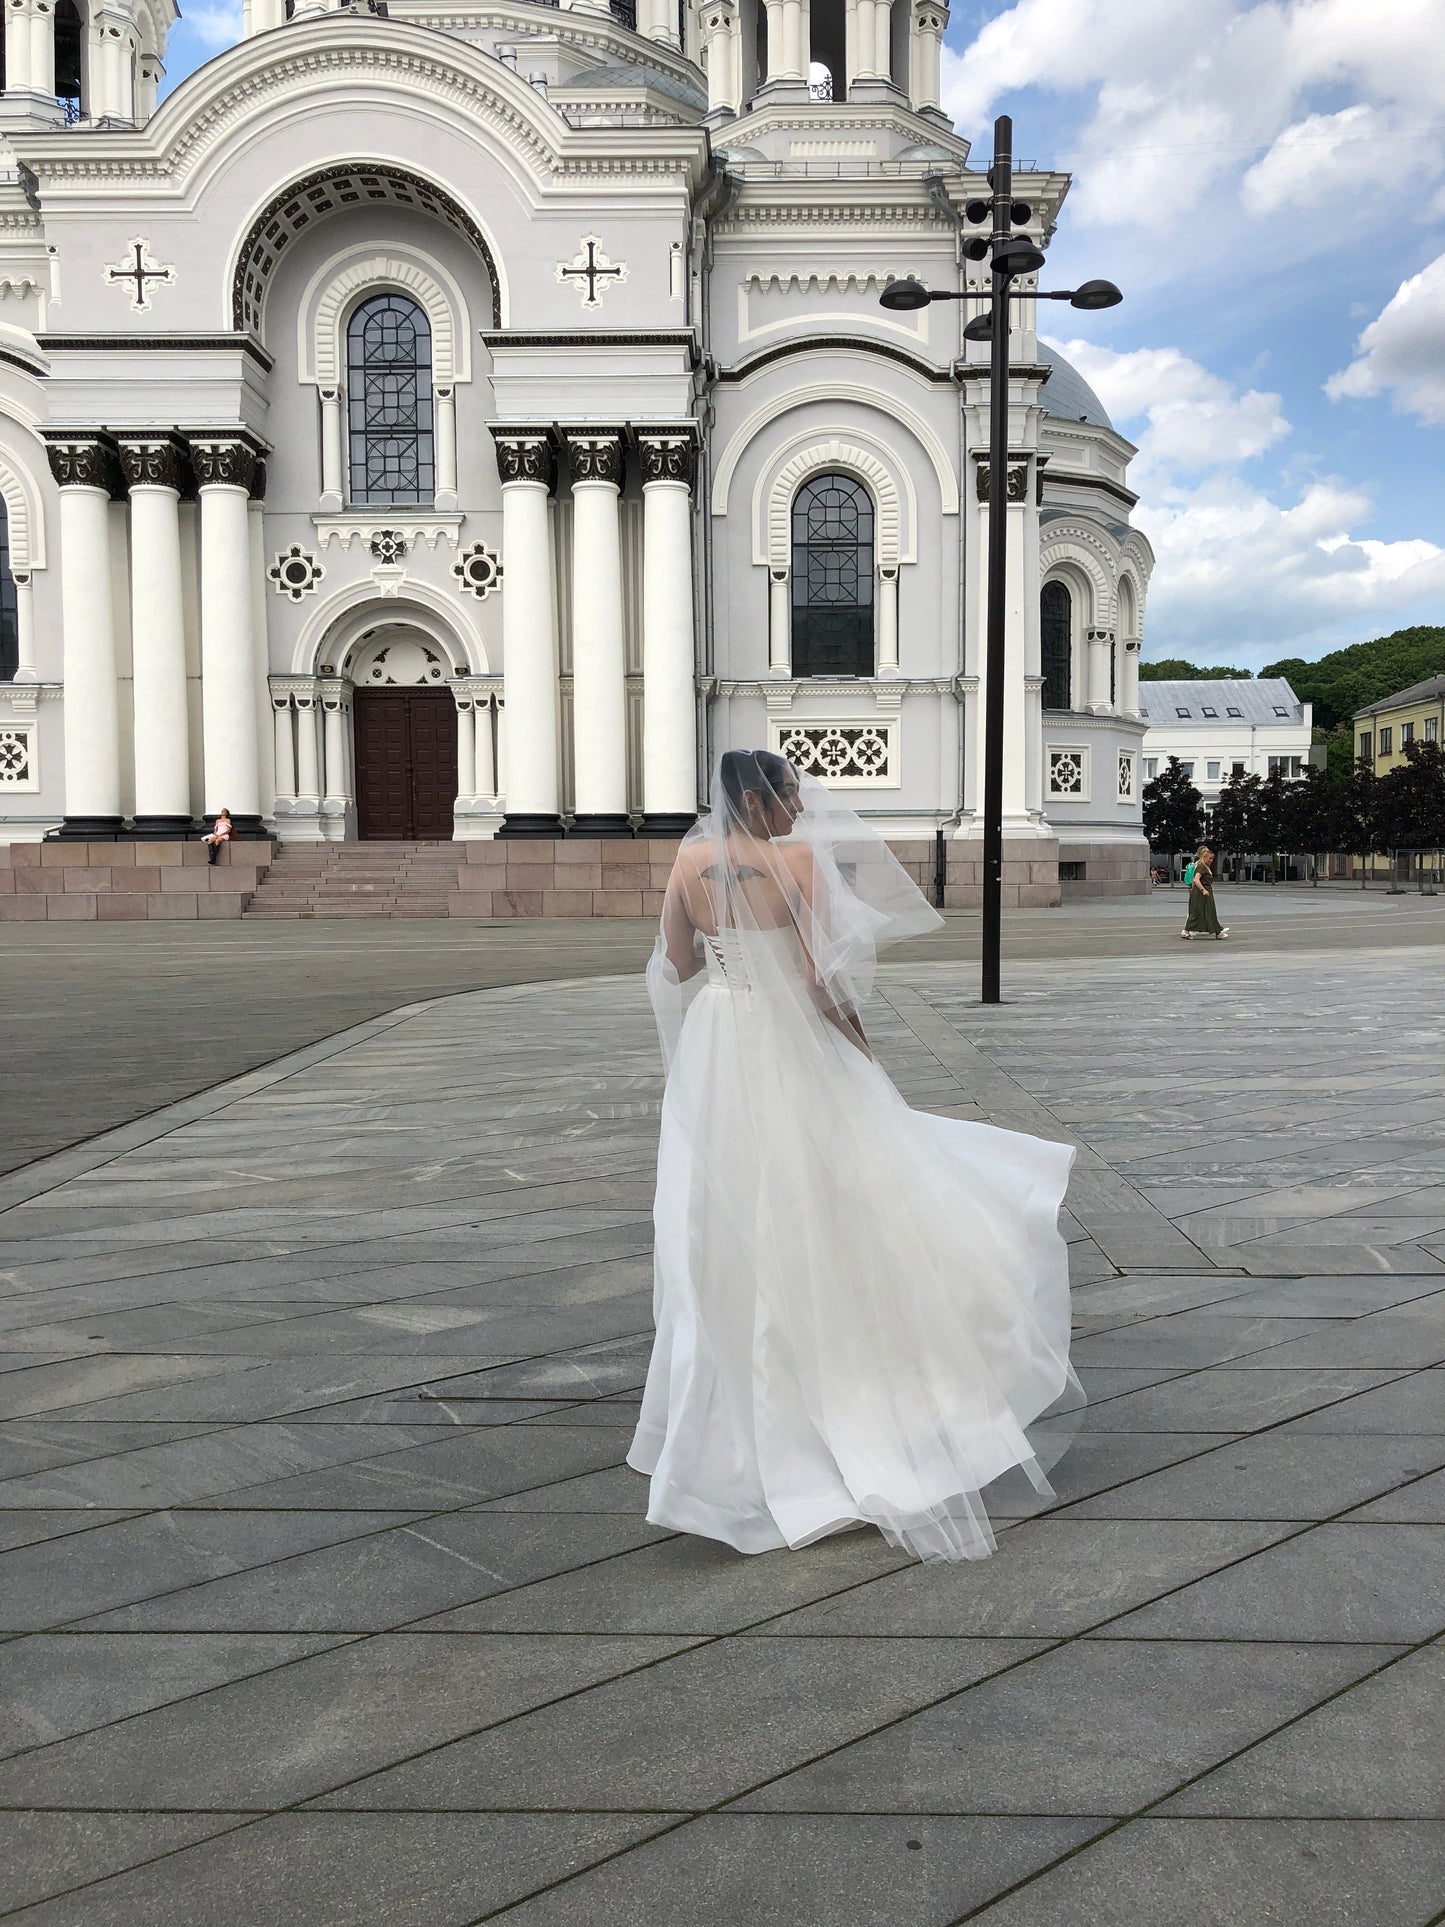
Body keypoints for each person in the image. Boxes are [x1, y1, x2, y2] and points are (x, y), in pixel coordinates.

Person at [628, 749, 1083, 1564]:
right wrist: (863, 1055)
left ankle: (733, 1437)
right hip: (789, 1045)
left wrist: (721, 956)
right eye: (791, 794)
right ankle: (860, 1401)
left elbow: (681, 962)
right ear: (758, 799)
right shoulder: (798, 862)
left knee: (727, 1216)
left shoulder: (689, 859)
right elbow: (817, 982)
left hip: (719, 1046)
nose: (801, 808)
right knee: (836, 1203)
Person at [1182, 844, 1229, 940]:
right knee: (1201, 911)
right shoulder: (1201, 866)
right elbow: (1196, 879)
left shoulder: (1203, 866)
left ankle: (1217, 931)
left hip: (1204, 891)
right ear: (1203, 856)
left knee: (1206, 911)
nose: (1211, 860)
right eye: (1209, 858)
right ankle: (1217, 932)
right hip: (1201, 892)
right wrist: (1203, 890)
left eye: (1212, 859)